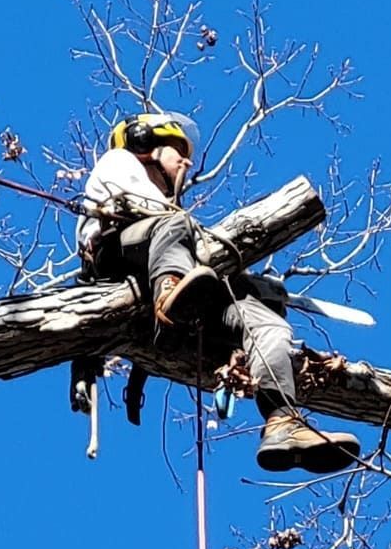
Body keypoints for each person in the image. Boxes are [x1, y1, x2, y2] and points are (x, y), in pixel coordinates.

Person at [77, 111, 362, 476]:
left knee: (266, 324)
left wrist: (254, 287)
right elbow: (156, 217)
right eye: (177, 149)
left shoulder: (171, 218)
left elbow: (188, 247)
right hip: (118, 258)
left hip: (171, 271)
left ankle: (282, 421)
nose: (187, 161)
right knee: (175, 222)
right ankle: (170, 293)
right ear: (144, 143)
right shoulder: (119, 162)